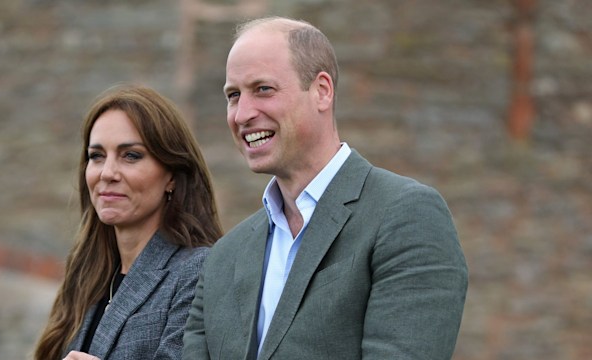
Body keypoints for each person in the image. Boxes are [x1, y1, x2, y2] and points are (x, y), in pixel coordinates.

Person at [183, 16, 468, 360]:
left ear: (322, 91)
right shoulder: (223, 257)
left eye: (263, 89)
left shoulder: (406, 215)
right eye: (233, 95)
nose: (242, 114)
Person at [34, 84, 223, 360]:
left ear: (171, 175)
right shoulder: (87, 274)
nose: (107, 173)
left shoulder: (196, 271)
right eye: (96, 156)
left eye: (130, 155)